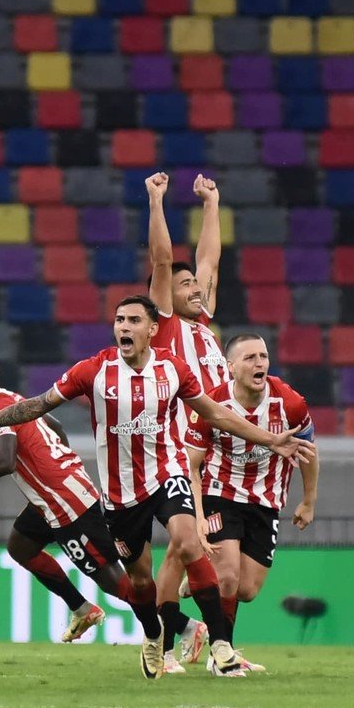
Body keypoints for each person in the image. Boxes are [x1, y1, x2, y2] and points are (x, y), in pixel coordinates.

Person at [0, 296, 315, 678]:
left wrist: (269, 439)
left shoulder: (173, 369)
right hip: (120, 493)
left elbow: (214, 412)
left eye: (132, 320)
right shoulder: (93, 370)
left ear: (151, 329)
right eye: (119, 320)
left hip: (167, 473)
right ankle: (151, 633)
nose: (124, 327)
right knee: (139, 579)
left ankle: (221, 644)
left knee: (187, 540)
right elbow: (40, 405)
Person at [0, 353, 172, 669]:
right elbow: (54, 424)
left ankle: (181, 628)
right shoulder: (12, 399)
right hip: (54, 496)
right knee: (21, 546)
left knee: (115, 582)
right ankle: (82, 609)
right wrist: (58, 461)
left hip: (66, 504)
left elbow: (4, 460)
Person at [184, 333, 318, 672]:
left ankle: (204, 578)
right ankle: (222, 654)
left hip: (266, 499)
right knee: (228, 575)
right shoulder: (211, 404)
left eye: (263, 356)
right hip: (220, 492)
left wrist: (308, 501)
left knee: (246, 589)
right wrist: (198, 516)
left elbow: (308, 452)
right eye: (250, 358)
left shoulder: (290, 403)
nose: (260, 363)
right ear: (230, 367)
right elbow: (193, 465)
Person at [146, 170, 231, 671]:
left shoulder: (203, 322)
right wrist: (158, 201)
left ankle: (170, 639)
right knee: (182, 547)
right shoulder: (163, 325)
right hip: (177, 452)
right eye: (185, 285)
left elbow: (210, 260)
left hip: (214, 447)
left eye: (196, 284)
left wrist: (212, 205)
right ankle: (177, 639)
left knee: (181, 554)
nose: (196, 287)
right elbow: (162, 259)